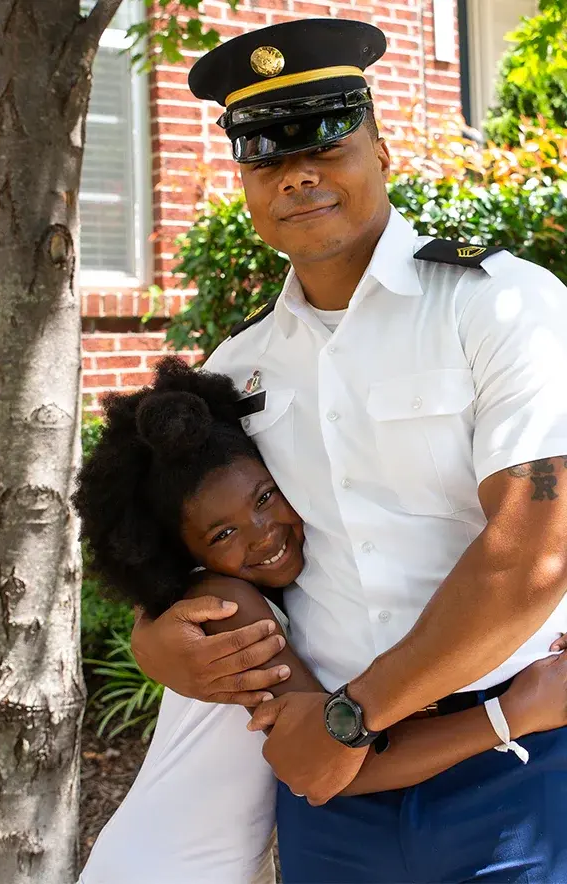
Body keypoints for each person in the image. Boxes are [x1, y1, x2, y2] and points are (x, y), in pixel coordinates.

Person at [84, 15, 567, 884]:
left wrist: (349, 720)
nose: (298, 175)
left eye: (327, 141)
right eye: (266, 154)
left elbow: (534, 551)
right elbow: (195, 544)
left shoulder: (501, 307)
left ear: (382, 148)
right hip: (337, 795)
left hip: (520, 760)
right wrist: (153, 634)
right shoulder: (236, 370)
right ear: (245, 181)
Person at [76, 356, 567, 883]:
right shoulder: (227, 609)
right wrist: (514, 712)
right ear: (180, 553)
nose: (262, 533)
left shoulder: (272, 592)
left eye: (265, 497)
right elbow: (333, 767)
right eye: (223, 534)